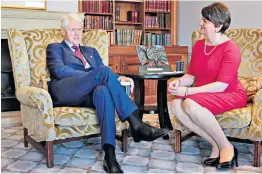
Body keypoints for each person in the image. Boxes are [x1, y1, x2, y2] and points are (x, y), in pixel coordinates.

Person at [46, 13, 169, 173]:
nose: (77, 33)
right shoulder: (55, 48)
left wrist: (120, 78)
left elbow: (105, 75)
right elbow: (59, 71)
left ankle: (109, 155)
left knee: (103, 91)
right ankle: (136, 123)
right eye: (72, 30)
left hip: (90, 92)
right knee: (102, 72)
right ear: (63, 32)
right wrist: (92, 76)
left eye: (79, 29)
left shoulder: (91, 51)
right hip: (66, 90)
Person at [168, 2, 247, 170]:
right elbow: (192, 75)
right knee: (175, 104)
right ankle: (216, 144)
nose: (200, 23)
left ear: (217, 26)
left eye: (205, 20)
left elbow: (221, 85)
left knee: (189, 103)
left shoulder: (231, 49)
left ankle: (227, 147)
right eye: (202, 19)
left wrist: (188, 91)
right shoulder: (199, 45)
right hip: (204, 91)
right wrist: (180, 82)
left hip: (229, 92)